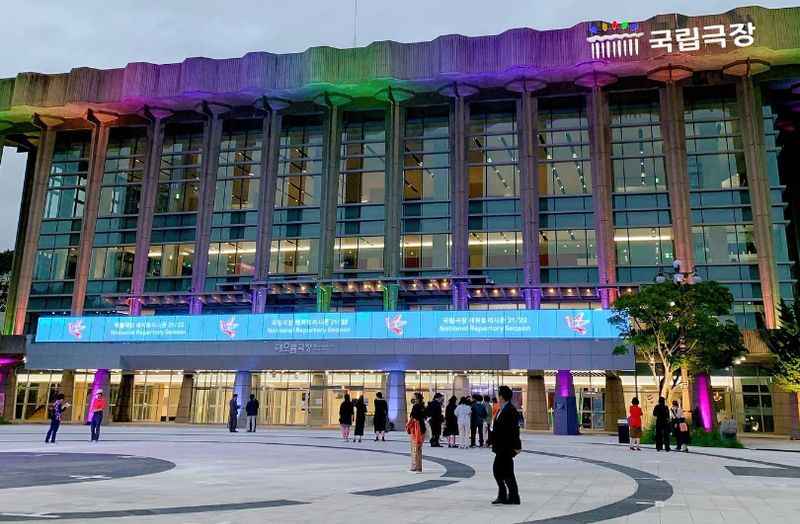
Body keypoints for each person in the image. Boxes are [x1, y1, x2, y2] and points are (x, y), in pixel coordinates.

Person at [491, 385, 522, 505]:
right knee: (501, 471)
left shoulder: (510, 410)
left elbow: (514, 430)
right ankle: (506, 495)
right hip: (500, 446)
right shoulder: (501, 409)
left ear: (502, 396)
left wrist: (517, 446)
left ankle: (512, 496)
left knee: (504, 471)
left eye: (498, 394)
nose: (497, 396)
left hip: (507, 446)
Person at [408, 392, 427, 472]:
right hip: (422, 428)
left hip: (416, 428)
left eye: (414, 398)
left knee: (414, 447)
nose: (412, 399)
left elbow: (413, 416)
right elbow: (425, 416)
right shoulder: (423, 407)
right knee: (419, 448)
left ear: (417, 399)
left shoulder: (415, 406)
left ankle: (415, 466)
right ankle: (419, 466)